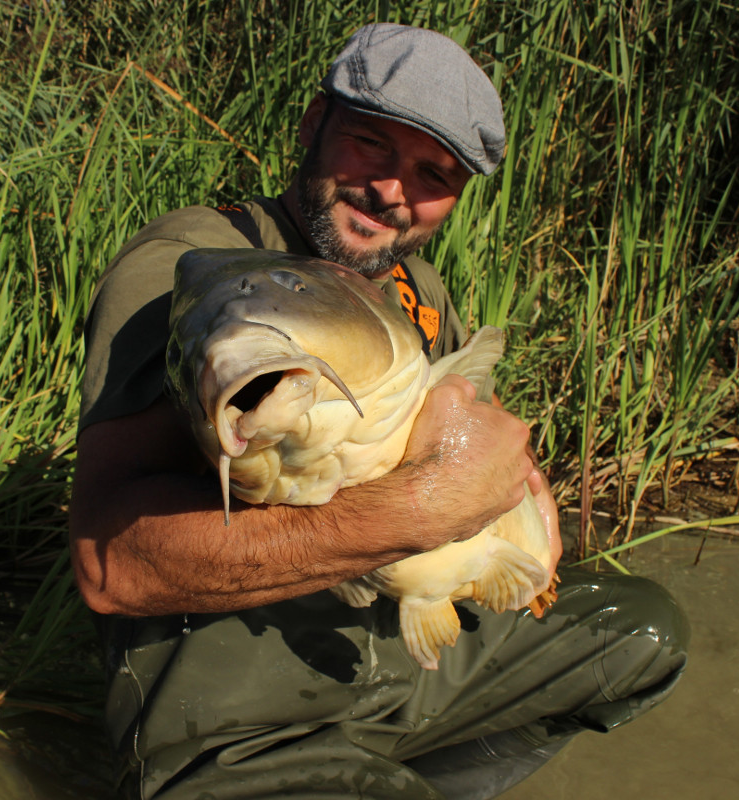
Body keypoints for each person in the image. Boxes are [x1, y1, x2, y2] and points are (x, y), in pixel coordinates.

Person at [70, 23, 689, 800]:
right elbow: (109, 566)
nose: (393, 192)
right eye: (371, 145)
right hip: (242, 713)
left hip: (401, 647)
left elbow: (479, 444)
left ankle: (394, 780)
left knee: (645, 636)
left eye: (433, 174)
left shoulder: (416, 289)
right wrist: (417, 514)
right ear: (312, 127)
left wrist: (527, 495)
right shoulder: (192, 268)